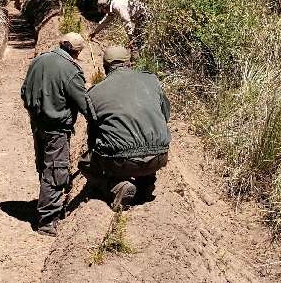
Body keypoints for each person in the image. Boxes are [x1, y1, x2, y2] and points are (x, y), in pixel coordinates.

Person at [80, 46, 170, 211]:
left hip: (121, 161)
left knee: (84, 164)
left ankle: (117, 186)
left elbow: (93, 134)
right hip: (159, 156)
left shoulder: (93, 93)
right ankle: (146, 183)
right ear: (129, 63)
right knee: (144, 146)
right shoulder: (151, 80)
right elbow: (165, 115)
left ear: (105, 67)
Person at [20, 32, 89, 236]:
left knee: (44, 166)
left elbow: (24, 91)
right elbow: (84, 103)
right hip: (57, 130)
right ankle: (47, 221)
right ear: (75, 52)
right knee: (55, 172)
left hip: (37, 124)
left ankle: (46, 204)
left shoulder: (38, 60)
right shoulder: (70, 70)